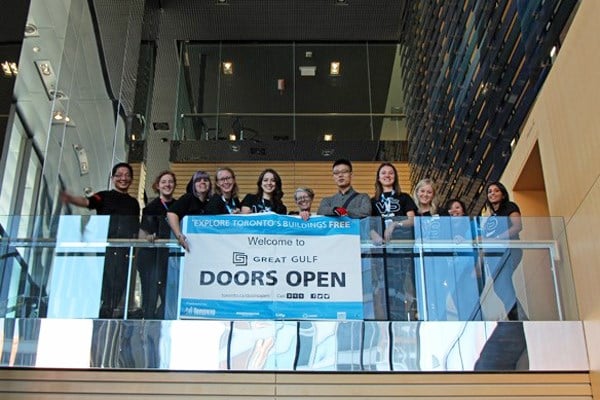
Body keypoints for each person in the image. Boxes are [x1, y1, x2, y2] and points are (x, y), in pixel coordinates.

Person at [60, 162, 140, 318]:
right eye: (119, 175)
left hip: (124, 250)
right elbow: (88, 202)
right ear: (112, 178)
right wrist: (68, 198)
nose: (123, 178)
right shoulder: (103, 195)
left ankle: (107, 312)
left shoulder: (133, 203)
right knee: (102, 281)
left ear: (131, 179)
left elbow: (134, 229)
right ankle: (97, 311)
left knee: (119, 284)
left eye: (127, 175)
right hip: (104, 248)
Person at [369, 162, 418, 320]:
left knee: (404, 285)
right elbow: (368, 224)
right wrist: (373, 234)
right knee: (387, 286)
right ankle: (390, 319)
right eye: (383, 173)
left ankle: (406, 317)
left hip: (403, 247)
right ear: (378, 177)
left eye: (391, 173)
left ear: (395, 176)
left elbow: (412, 220)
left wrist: (396, 224)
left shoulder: (404, 198)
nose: (387, 175)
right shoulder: (373, 201)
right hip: (384, 251)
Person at [480, 181, 523, 320]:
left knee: (503, 284)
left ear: (503, 194)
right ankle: (519, 317)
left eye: (496, 191)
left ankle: (518, 319)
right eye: (490, 191)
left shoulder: (509, 207)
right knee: (500, 287)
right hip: (493, 256)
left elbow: (517, 226)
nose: (492, 193)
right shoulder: (490, 218)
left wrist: (498, 238)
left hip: (508, 250)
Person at [137, 170, 177, 319]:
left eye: (170, 182)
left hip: (170, 259)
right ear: (157, 186)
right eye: (164, 182)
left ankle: (159, 323)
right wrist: (149, 237)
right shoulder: (150, 208)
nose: (167, 185)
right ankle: (147, 327)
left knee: (169, 297)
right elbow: (142, 235)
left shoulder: (179, 206)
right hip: (151, 259)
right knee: (150, 297)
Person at [444, 198, 481, 320]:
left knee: (472, 302)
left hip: (470, 271)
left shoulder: (471, 225)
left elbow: (481, 244)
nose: (454, 210)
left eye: (458, 207)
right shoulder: (445, 231)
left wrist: (478, 267)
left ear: (463, 211)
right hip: (453, 274)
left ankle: (477, 326)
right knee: (459, 304)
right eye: (451, 208)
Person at [167, 170, 213, 252]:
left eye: (205, 180)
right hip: (185, 245)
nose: (202, 182)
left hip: (203, 246)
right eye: (198, 180)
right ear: (193, 185)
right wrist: (179, 235)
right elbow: (171, 213)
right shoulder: (188, 198)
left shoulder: (211, 202)